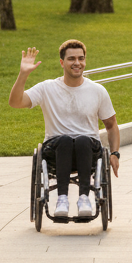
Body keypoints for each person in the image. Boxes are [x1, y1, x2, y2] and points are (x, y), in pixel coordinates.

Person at [9, 39, 120, 221]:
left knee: (83, 139)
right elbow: (15, 102)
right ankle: (62, 199)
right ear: (62, 62)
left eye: (81, 58)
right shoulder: (47, 88)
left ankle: (84, 198)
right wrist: (23, 74)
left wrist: (115, 153)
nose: (77, 63)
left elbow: (111, 125)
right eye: (71, 59)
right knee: (66, 140)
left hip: (88, 151)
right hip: (56, 150)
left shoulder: (97, 90)